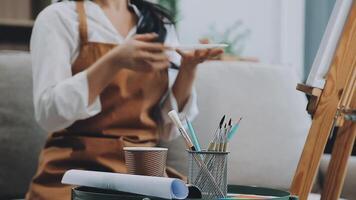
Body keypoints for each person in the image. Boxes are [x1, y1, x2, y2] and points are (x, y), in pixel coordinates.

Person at [26, 0, 223, 199]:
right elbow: (49, 114)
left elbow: (168, 129)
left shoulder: (159, 24)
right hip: (74, 173)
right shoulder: (59, 18)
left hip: (144, 174)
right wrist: (114, 61)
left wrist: (188, 69)